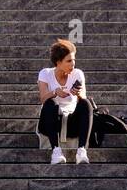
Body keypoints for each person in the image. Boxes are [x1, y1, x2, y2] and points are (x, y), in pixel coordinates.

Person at [37, 38, 90, 166]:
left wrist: (78, 94)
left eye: (74, 60)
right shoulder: (45, 74)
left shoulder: (77, 74)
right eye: (69, 61)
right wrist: (55, 92)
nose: (73, 64)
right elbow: (43, 98)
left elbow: (83, 96)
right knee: (50, 103)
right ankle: (56, 151)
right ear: (58, 62)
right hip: (52, 121)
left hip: (72, 119)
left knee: (85, 103)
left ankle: (81, 151)